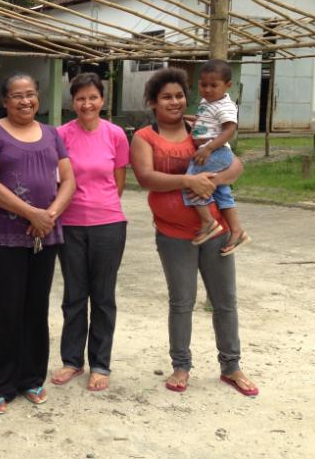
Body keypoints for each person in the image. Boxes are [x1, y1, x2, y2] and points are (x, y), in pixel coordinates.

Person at [130, 67, 258, 396]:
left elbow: (236, 165)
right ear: (153, 102)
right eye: (166, 97)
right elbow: (146, 177)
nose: (174, 102)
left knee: (225, 301)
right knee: (181, 302)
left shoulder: (200, 128)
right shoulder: (145, 136)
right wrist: (188, 180)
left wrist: (213, 180)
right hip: (173, 234)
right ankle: (181, 366)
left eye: (179, 95)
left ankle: (231, 366)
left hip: (216, 231)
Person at [0, 72, 76, 415]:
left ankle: (31, 378)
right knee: (8, 308)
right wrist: (32, 213)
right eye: (17, 95)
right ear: (5, 100)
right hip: (6, 235)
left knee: (36, 307)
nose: (25, 101)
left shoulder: (51, 134)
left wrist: (50, 215)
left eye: (30, 94)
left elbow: (69, 180)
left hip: (46, 234)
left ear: (38, 97)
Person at [50, 73, 129, 393]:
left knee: (103, 295)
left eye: (93, 97)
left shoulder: (116, 134)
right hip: (69, 225)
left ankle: (100, 363)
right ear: (73, 101)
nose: (87, 104)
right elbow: (56, 180)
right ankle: (72, 360)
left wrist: (101, 207)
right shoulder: (60, 135)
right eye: (80, 98)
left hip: (108, 224)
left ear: (103, 100)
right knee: (74, 295)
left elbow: (118, 181)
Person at [185, 60, 250, 253]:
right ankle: (237, 231)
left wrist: (208, 148)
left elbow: (230, 130)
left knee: (192, 182)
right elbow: (206, 121)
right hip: (216, 152)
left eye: (214, 85)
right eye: (203, 84)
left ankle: (208, 222)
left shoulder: (226, 106)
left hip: (216, 152)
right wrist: (188, 119)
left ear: (227, 85)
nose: (207, 89)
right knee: (222, 193)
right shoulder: (208, 102)